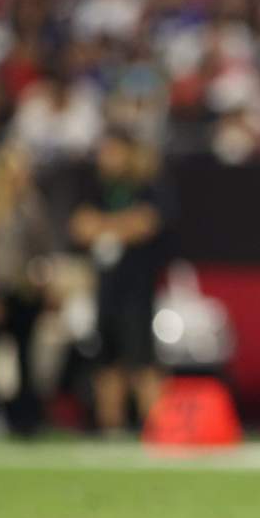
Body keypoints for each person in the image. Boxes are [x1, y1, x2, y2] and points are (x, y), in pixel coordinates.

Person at [69, 128, 171, 434]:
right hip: (106, 288)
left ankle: (158, 428)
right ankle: (110, 429)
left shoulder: (148, 185)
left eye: (112, 151)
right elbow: (79, 227)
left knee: (142, 361)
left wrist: (103, 226)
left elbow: (146, 223)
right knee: (106, 362)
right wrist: (120, 226)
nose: (106, 158)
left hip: (137, 288)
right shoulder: (97, 187)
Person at [0, 144, 55, 439]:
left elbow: (43, 248)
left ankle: (26, 423)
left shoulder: (31, 204)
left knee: (26, 359)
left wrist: (44, 282)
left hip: (24, 290)